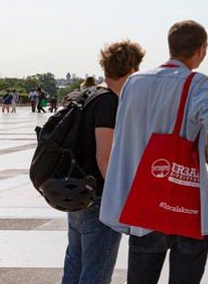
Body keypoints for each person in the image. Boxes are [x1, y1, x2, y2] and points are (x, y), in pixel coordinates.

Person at [100, 20, 208, 284]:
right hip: (187, 199)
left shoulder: (134, 82)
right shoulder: (197, 83)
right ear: (201, 49)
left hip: (144, 199)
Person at [61, 40, 145, 284]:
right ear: (130, 70)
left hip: (74, 193)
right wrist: (119, 198)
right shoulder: (108, 101)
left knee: (74, 265)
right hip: (98, 199)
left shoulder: (81, 94)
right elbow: (104, 157)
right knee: (95, 274)